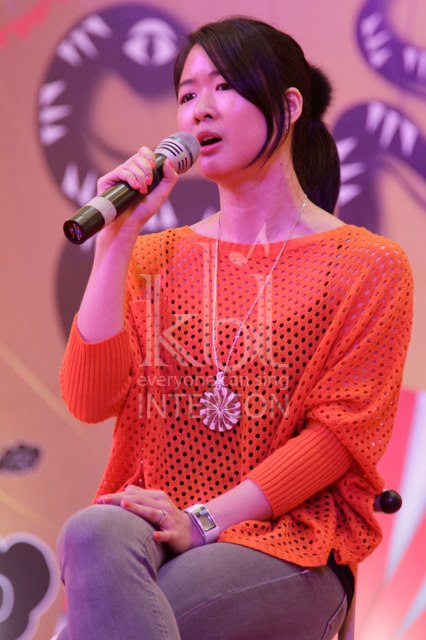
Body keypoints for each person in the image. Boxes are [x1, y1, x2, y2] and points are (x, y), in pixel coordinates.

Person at [56, 16, 413, 640]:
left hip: (290, 544)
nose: (200, 109)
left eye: (223, 86)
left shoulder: (367, 265)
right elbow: (89, 400)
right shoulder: (154, 256)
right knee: (90, 530)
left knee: (127, 615)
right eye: (187, 94)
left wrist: (203, 520)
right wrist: (116, 241)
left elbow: (337, 438)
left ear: (289, 106)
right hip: (153, 525)